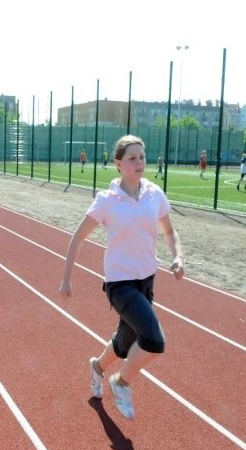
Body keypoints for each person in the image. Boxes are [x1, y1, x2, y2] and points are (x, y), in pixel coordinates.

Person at [60, 134, 184, 421]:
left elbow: (169, 230)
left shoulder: (154, 193)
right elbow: (77, 237)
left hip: (146, 281)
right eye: (132, 158)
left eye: (142, 156)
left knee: (124, 342)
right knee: (153, 340)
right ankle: (121, 382)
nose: (139, 162)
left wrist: (178, 256)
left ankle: (98, 368)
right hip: (120, 284)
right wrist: (67, 278)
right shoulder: (107, 201)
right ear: (118, 164)